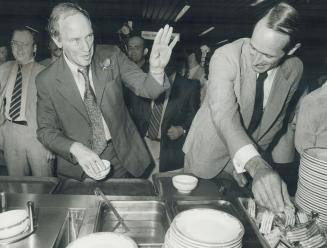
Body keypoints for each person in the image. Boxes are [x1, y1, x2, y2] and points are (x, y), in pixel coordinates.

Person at [183, 2, 303, 212]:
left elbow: (275, 122)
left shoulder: (295, 69)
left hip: (247, 157)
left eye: (267, 55)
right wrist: (255, 164)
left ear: (292, 49)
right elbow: (224, 117)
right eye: (253, 48)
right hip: (208, 152)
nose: (255, 59)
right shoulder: (225, 56)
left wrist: (245, 162)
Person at [36, 3, 178, 181]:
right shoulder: (46, 80)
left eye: (89, 36)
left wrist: (156, 69)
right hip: (77, 166)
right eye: (75, 40)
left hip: (121, 156)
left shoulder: (111, 55)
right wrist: (75, 149)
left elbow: (147, 88)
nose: (86, 47)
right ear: (57, 40)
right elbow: (45, 131)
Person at [128, 50, 200, 173]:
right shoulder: (143, 82)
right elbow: (132, 111)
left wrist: (182, 129)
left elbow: (196, 116)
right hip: (144, 146)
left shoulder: (189, 86)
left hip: (170, 152)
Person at [0, 26, 54, 176]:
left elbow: (55, 110)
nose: (19, 48)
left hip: (38, 137)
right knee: (17, 187)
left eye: (25, 44)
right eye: (15, 43)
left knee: (44, 185)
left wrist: (51, 143)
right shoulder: (3, 69)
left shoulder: (45, 72)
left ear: (34, 47)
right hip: (10, 133)